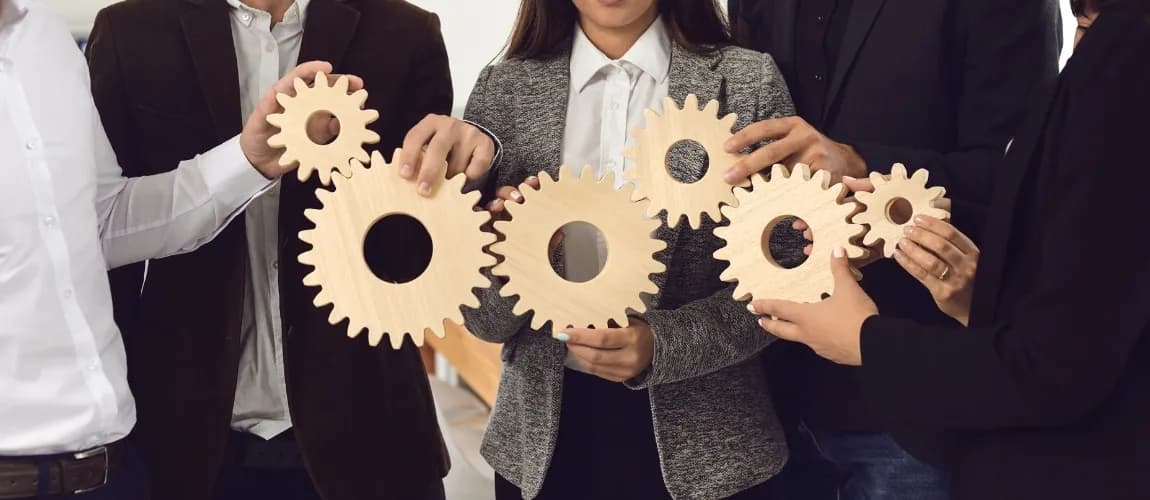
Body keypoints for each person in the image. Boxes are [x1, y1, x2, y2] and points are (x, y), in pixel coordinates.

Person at [84, 0, 498, 499]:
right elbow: (103, 249)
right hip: (179, 437)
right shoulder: (129, 30)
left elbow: (421, 233)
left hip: (369, 434)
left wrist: (475, 163)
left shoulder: (405, 31)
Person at [751, 0, 1150, 498]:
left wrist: (863, 167)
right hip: (769, 395)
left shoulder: (1119, 48)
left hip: (926, 397)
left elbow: (1020, 170)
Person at [0, 0, 343, 497]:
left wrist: (247, 160)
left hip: (111, 467)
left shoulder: (46, 42)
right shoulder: (118, 31)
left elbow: (102, 220)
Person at [460, 0, 795, 498]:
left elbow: (787, 277)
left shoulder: (748, 83)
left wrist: (663, 345)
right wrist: (515, 254)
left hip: (713, 444)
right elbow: (482, 322)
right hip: (543, 446)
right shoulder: (503, 89)